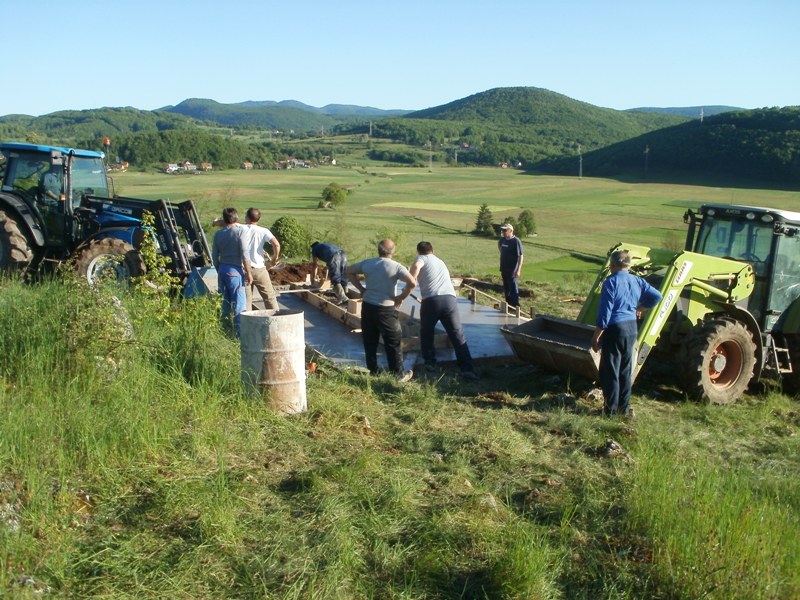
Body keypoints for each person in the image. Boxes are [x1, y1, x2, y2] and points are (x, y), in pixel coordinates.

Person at [590, 249, 662, 417]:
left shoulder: (611, 282)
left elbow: (605, 312)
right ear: (627, 265)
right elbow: (657, 296)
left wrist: (596, 336)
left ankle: (610, 411)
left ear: (613, 265)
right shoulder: (637, 280)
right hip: (631, 328)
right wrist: (641, 308)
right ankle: (624, 407)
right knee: (625, 370)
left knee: (610, 370)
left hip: (616, 328)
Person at [346, 239, 416, 381]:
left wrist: (361, 289)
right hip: (386, 309)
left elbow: (349, 271)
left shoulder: (368, 263)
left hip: (368, 306)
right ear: (393, 251)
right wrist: (401, 297)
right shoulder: (396, 267)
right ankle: (398, 375)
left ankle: (373, 371)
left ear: (379, 250)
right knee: (393, 341)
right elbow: (412, 283)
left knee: (370, 340)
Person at [409, 241, 479, 380]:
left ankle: (430, 363)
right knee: (457, 334)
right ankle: (467, 368)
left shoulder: (421, 258)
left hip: (431, 301)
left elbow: (417, 266)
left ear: (419, 251)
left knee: (426, 332)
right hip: (450, 300)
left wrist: (411, 280)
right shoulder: (439, 261)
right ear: (432, 250)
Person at [212, 208, 253, 337]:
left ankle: (224, 330)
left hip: (223, 269)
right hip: (235, 271)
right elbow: (245, 254)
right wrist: (249, 272)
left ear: (224, 219)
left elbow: (214, 256)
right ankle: (239, 335)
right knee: (239, 304)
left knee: (225, 302)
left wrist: (219, 269)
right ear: (236, 217)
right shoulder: (240, 232)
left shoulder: (218, 234)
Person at [244, 207, 280, 310]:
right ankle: (276, 320)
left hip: (244, 270)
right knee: (269, 298)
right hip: (259, 269)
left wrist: (216, 222)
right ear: (258, 219)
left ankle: (247, 323)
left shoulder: (240, 229)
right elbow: (276, 245)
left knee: (247, 300)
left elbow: (227, 223)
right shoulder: (263, 231)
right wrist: (274, 258)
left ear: (247, 217)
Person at [498, 223, 523, 307]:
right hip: (504, 268)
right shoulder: (502, 240)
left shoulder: (516, 241)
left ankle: (515, 305)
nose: (503, 232)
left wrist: (518, 270)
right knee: (506, 288)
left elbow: (520, 256)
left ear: (511, 231)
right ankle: (508, 304)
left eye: (505, 230)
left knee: (513, 287)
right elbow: (500, 247)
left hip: (512, 270)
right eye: (502, 230)